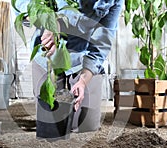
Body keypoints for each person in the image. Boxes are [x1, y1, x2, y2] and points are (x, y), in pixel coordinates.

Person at [15, 0, 124, 132]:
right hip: (48, 56)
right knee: (51, 128)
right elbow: (20, 3)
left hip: (82, 58)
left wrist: (83, 81)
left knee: (86, 126)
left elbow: (102, 43)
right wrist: (48, 21)